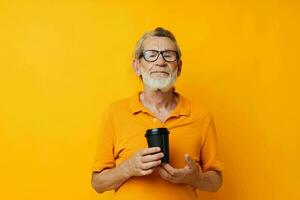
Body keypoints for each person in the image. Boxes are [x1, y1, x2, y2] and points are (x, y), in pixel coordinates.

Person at [91, 27, 224, 200]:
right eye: (151, 54)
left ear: (179, 67)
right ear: (137, 66)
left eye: (168, 55)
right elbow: (98, 184)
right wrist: (128, 168)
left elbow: (216, 182)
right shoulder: (115, 112)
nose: (160, 62)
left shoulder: (201, 114)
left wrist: (195, 178)